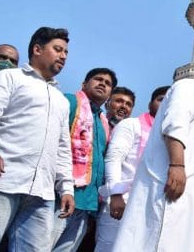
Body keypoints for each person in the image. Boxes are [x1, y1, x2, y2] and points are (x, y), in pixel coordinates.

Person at [111, 56, 194, 251]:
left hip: (192, 201)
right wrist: (177, 165)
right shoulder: (192, 86)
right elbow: (176, 122)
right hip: (174, 193)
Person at [0, 27, 74, 250]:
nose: (63, 56)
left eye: (66, 53)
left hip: (42, 193)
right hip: (4, 181)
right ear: (37, 49)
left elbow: (62, 147)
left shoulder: (60, 100)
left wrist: (66, 188)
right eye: (58, 49)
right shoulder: (9, 78)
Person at [95, 85, 169, 252]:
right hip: (121, 202)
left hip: (149, 207)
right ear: (150, 104)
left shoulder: (170, 136)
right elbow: (114, 158)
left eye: (169, 100)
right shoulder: (132, 125)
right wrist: (115, 194)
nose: (165, 103)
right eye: (160, 99)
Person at [52, 67, 117, 252]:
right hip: (61, 194)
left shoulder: (103, 122)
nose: (103, 83)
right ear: (84, 84)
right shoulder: (70, 102)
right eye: (98, 79)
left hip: (86, 202)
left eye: (108, 83)